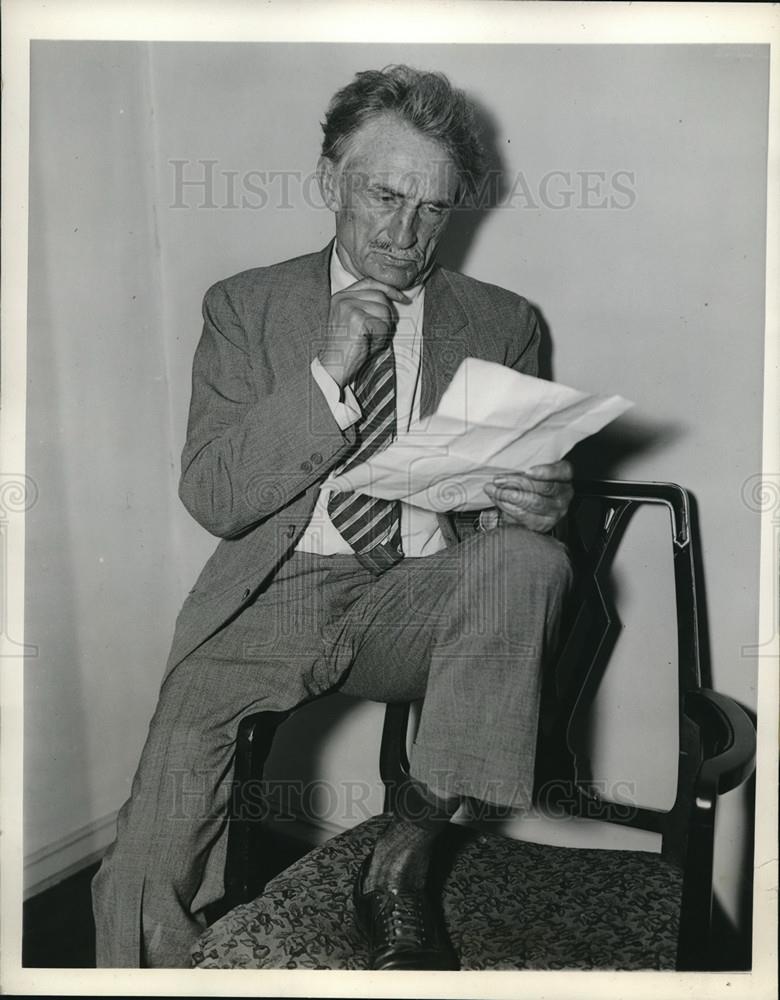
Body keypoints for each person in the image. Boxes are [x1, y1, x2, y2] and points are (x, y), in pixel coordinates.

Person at [92, 64, 574, 970]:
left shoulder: (504, 321)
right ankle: (139, 970)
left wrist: (547, 503)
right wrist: (325, 376)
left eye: (433, 208)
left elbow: (525, 488)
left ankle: (406, 852)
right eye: (385, 196)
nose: (406, 233)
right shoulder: (245, 306)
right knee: (151, 855)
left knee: (531, 562)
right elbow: (214, 495)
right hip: (278, 590)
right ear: (328, 181)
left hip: (419, 593)